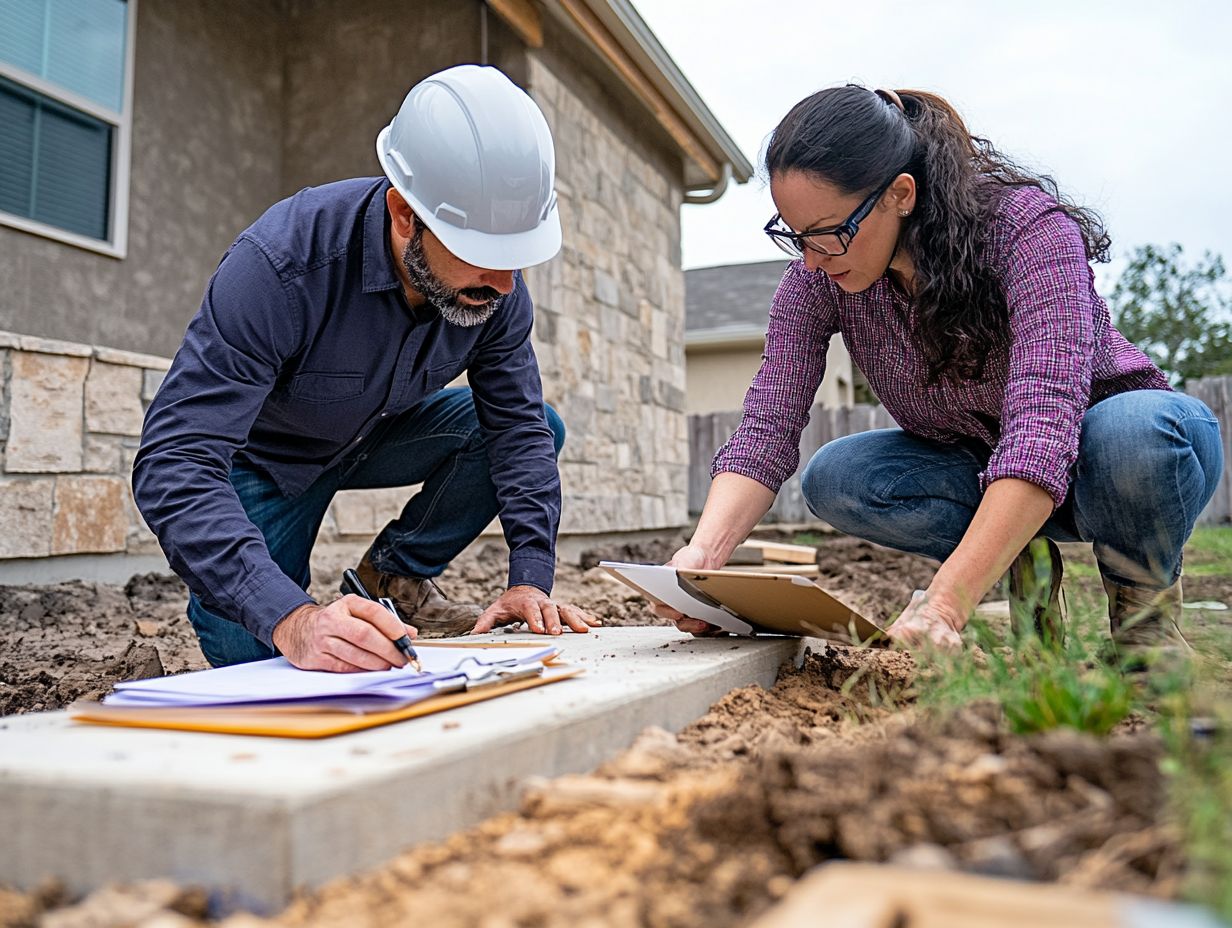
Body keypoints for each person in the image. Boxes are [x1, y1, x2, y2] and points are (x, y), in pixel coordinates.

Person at [667, 85, 1223, 661]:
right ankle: (1025, 582)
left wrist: (943, 605)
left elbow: (1041, 428)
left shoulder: (1027, 232)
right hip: (989, 476)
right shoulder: (818, 280)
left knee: (1133, 435)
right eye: (795, 235)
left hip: (1117, 459)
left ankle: (1144, 631)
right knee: (838, 476)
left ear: (899, 195)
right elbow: (766, 428)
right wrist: (702, 557)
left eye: (827, 233)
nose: (810, 258)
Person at [134, 65, 599, 673]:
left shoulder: (496, 292)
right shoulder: (278, 268)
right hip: (268, 462)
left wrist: (530, 578)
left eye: (517, 256)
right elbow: (173, 460)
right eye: (482, 255)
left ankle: (396, 575)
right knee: (257, 652)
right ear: (404, 215)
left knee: (539, 422)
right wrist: (294, 620)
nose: (505, 283)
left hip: (375, 434)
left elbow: (515, 429)